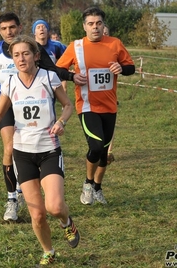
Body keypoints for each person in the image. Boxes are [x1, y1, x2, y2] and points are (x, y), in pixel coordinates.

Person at [0, 12, 76, 222]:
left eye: (12, 27)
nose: (9, 32)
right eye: (4, 28)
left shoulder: (31, 47)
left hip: (34, 101)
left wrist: (71, 76)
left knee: (28, 145)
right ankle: (12, 198)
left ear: (20, 27)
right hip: (4, 104)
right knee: (9, 147)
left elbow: (52, 69)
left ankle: (31, 186)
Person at [0, 35, 80, 266]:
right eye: (16, 55)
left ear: (36, 56)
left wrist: (62, 123)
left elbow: (68, 105)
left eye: (25, 53)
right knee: (37, 215)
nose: (21, 58)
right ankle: (48, 251)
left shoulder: (49, 77)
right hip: (22, 153)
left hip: (49, 150)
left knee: (55, 207)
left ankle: (67, 222)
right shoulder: (9, 82)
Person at [56, 6, 135, 205]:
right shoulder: (76, 46)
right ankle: (88, 183)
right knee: (96, 145)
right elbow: (58, 69)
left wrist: (121, 68)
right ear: (84, 27)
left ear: (103, 25)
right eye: (91, 24)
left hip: (109, 106)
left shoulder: (115, 44)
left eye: (99, 23)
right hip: (87, 106)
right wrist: (72, 76)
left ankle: (97, 188)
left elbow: (130, 67)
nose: (95, 27)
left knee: (104, 152)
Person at [32, 19, 68, 93]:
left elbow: (70, 55)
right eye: (38, 27)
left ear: (48, 31)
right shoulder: (30, 47)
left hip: (53, 79)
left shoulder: (57, 46)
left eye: (44, 27)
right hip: (36, 80)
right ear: (34, 33)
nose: (41, 29)